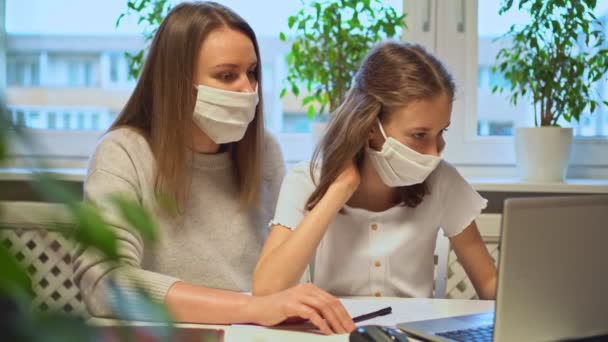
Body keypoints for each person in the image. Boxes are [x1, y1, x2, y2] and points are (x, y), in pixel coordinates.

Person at [72, 1, 355, 335]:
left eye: (252, 73)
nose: (249, 89)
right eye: (226, 75)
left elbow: (286, 275)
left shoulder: (265, 151)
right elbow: (106, 280)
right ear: (175, 82)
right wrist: (252, 308)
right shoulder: (123, 153)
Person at [253, 41, 498, 300]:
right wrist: (340, 189)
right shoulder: (306, 180)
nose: (435, 152)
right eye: (419, 135)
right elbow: (267, 289)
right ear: (370, 127)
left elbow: (489, 282)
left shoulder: (443, 180)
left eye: (441, 132)